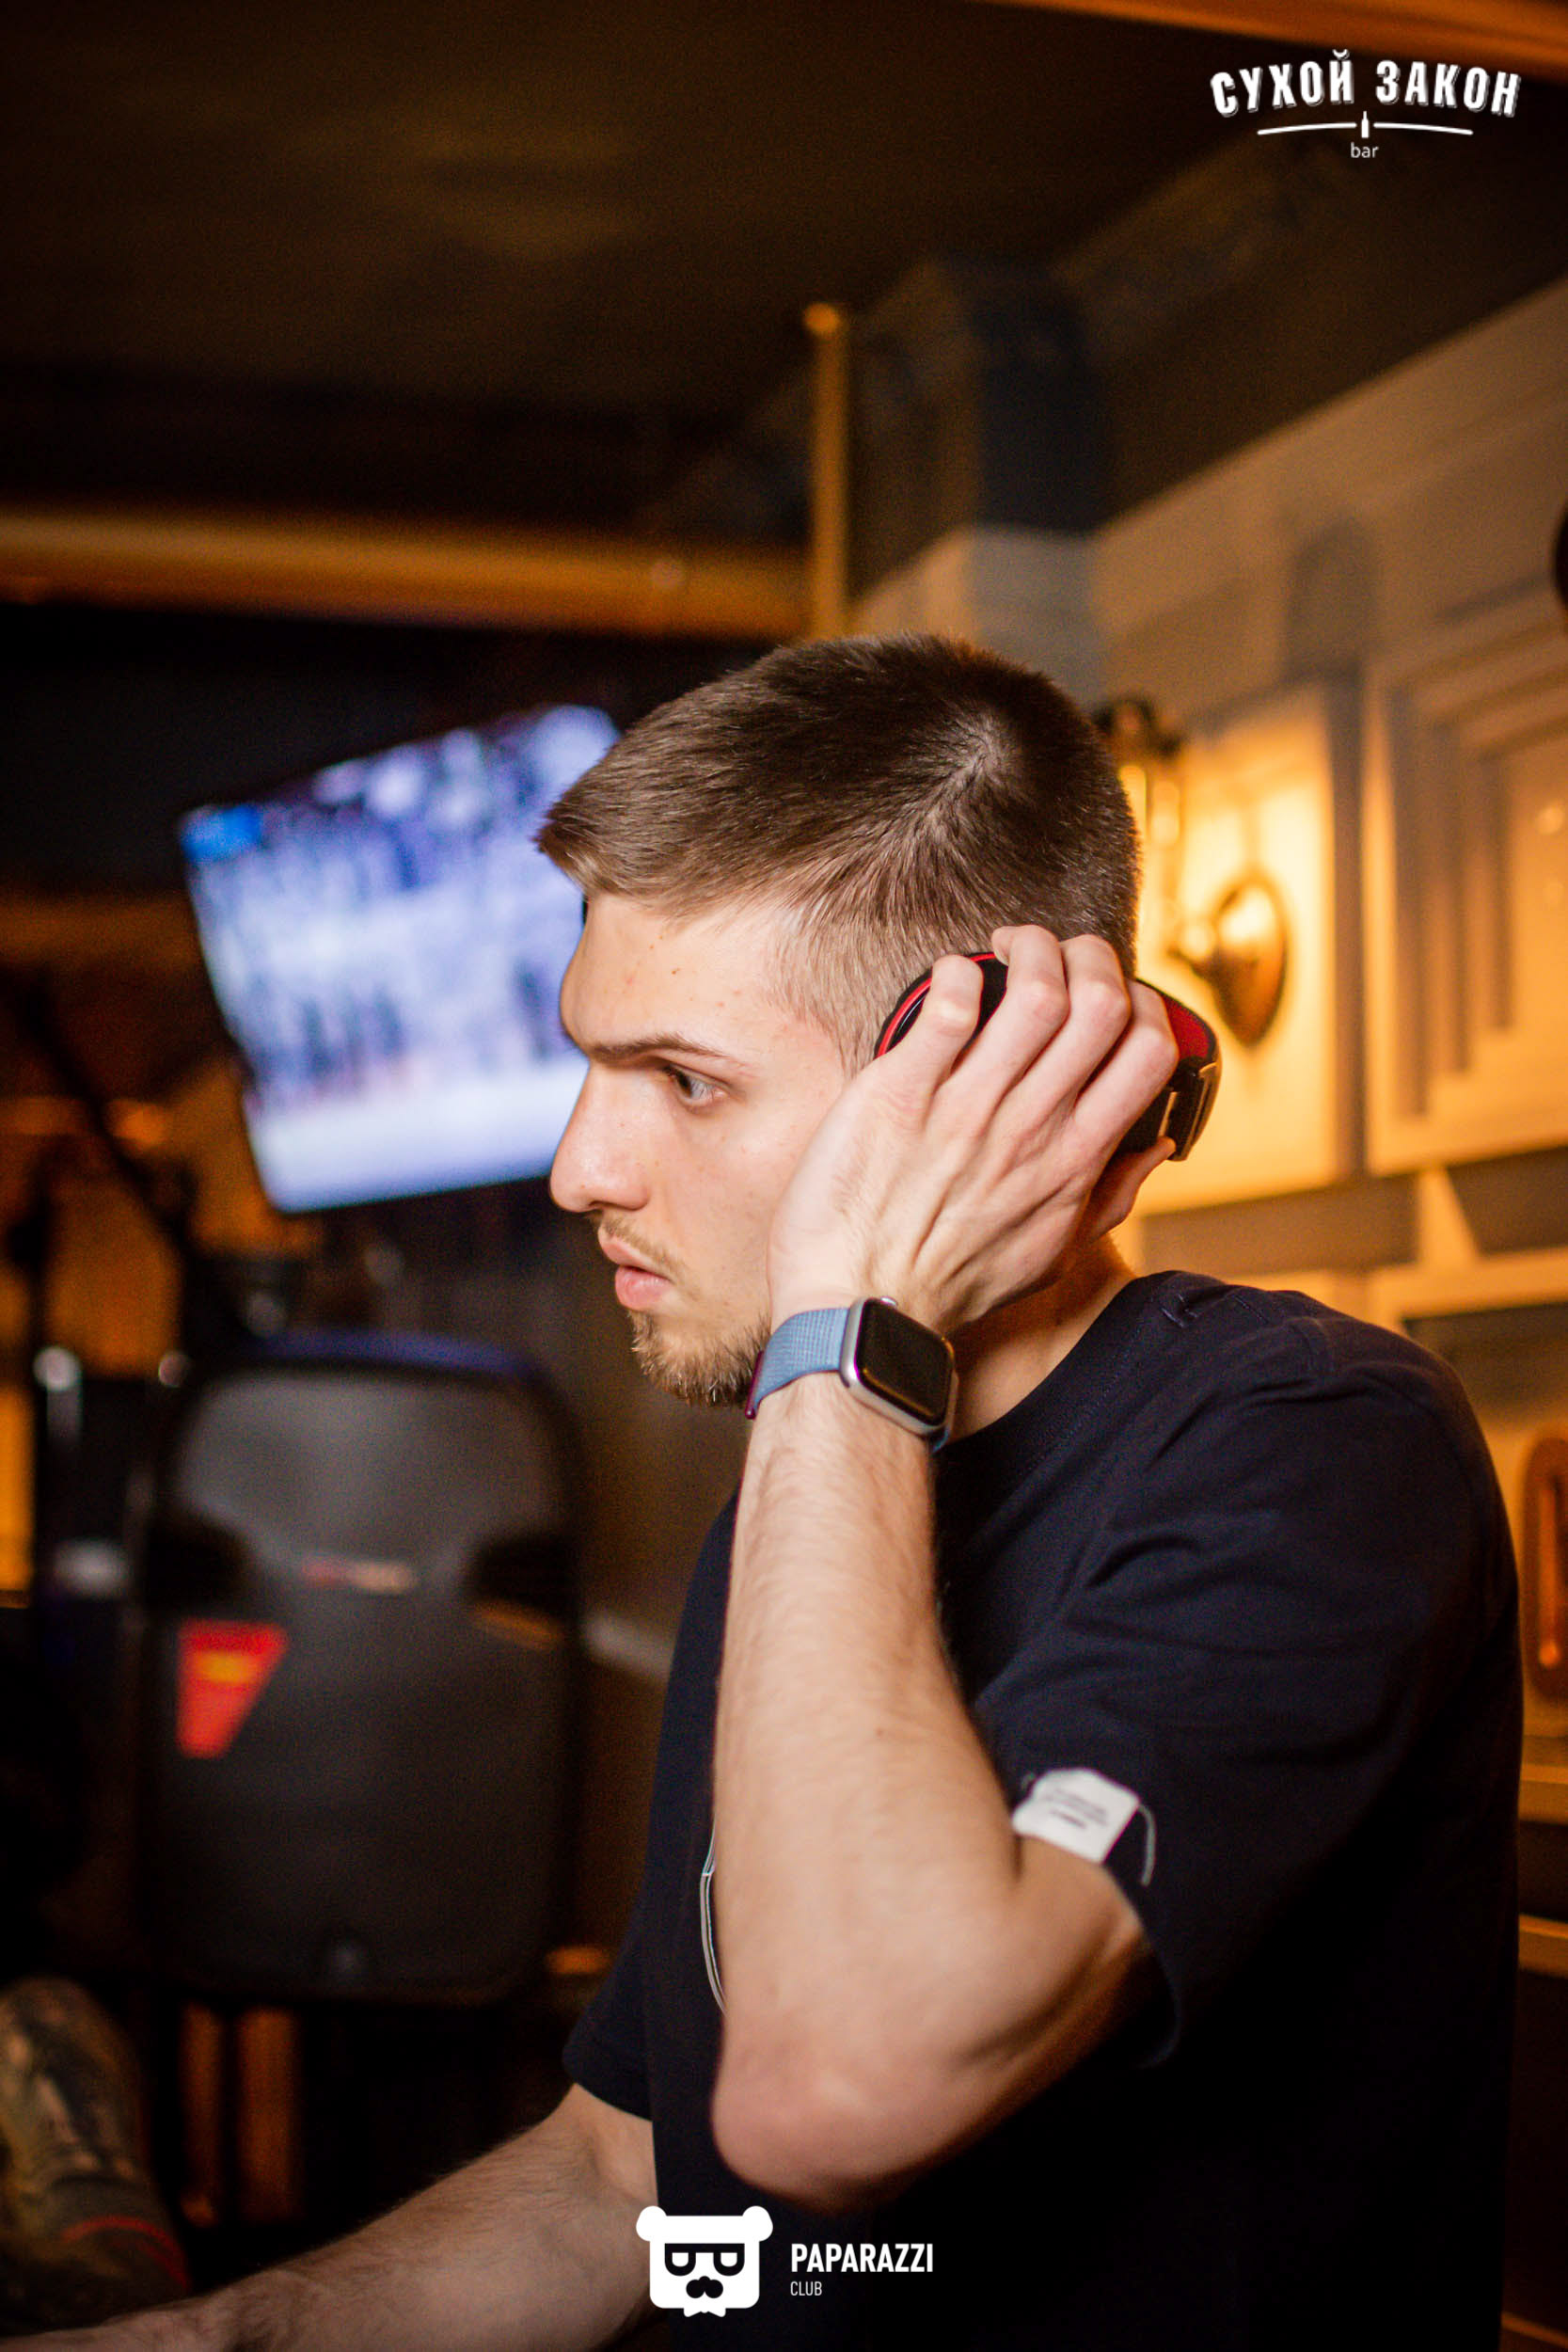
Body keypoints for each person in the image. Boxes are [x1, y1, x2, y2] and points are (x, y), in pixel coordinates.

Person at [30, 635, 1519, 2351]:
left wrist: (849, 1323)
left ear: (973, 1079)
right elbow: (636, 2186)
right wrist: (215, 2341)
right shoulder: (819, 1495)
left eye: (684, 1079)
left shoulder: (1311, 1443)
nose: (582, 1168)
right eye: (591, 1066)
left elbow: (838, 2095)